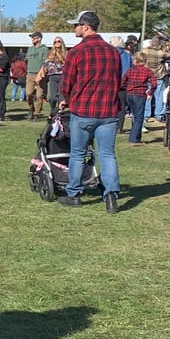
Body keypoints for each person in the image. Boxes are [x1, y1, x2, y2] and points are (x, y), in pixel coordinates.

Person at [57, 11, 122, 213]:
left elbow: (66, 85)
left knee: (77, 154)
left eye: (76, 25)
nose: (74, 29)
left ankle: (74, 194)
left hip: (83, 110)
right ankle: (111, 195)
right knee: (107, 155)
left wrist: (66, 101)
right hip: (109, 112)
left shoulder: (76, 52)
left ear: (85, 26)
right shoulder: (113, 52)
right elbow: (118, 81)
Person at [121, 53, 157, 145]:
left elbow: (123, 82)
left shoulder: (129, 71)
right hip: (140, 95)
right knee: (139, 117)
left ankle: (136, 137)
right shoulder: (147, 71)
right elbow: (154, 84)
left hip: (130, 94)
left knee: (135, 115)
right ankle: (134, 139)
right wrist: (150, 93)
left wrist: (127, 89)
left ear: (135, 60)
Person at [139, 38, 170, 121]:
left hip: (146, 76)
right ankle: (159, 114)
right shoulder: (161, 53)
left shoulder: (144, 51)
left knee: (147, 96)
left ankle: (146, 115)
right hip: (158, 76)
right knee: (159, 96)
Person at [36, 38, 67, 115]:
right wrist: (40, 74)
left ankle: (60, 112)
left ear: (62, 43)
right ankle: (53, 110)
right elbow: (45, 64)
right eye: (55, 42)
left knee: (61, 96)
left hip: (62, 75)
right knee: (52, 97)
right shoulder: (50, 53)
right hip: (52, 76)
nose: (57, 43)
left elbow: (66, 63)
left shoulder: (66, 53)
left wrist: (60, 55)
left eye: (59, 41)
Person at [25, 31, 49, 118]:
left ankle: (37, 113)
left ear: (39, 38)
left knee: (39, 95)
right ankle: (31, 108)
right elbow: (27, 60)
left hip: (40, 74)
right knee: (28, 94)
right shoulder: (30, 49)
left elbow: (45, 63)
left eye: (34, 38)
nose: (32, 39)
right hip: (30, 74)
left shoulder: (44, 49)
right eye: (32, 38)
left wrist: (41, 74)